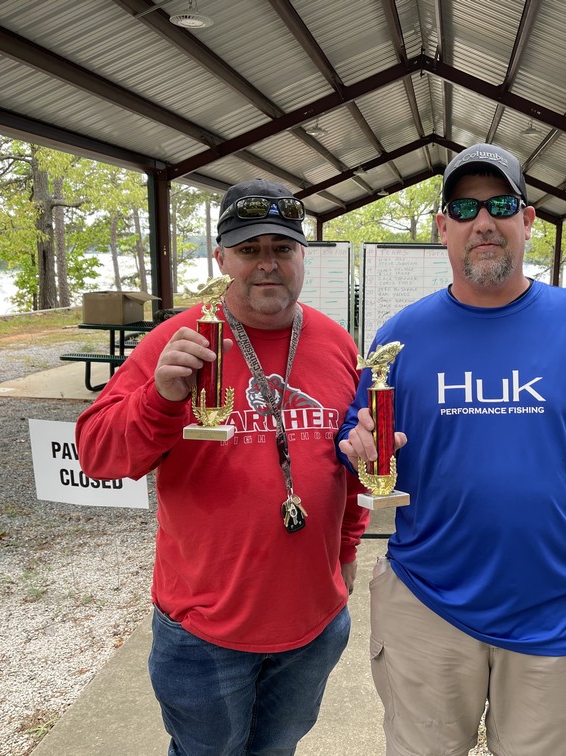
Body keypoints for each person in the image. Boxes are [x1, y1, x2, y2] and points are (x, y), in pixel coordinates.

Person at [337, 143, 566, 756]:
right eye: (464, 208)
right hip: (426, 604)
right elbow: (357, 442)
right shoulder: (400, 336)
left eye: (500, 205)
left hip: (554, 612)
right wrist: (357, 449)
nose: (482, 221)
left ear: (528, 220)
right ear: (443, 228)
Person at [75, 178, 369, 755]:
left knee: (278, 748)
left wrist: (347, 547)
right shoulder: (178, 341)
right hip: (205, 632)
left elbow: (351, 460)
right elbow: (97, 455)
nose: (267, 264)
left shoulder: (336, 343)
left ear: (303, 255)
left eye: (282, 248)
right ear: (220, 259)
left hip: (312, 623)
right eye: (248, 249)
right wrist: (159, 397)